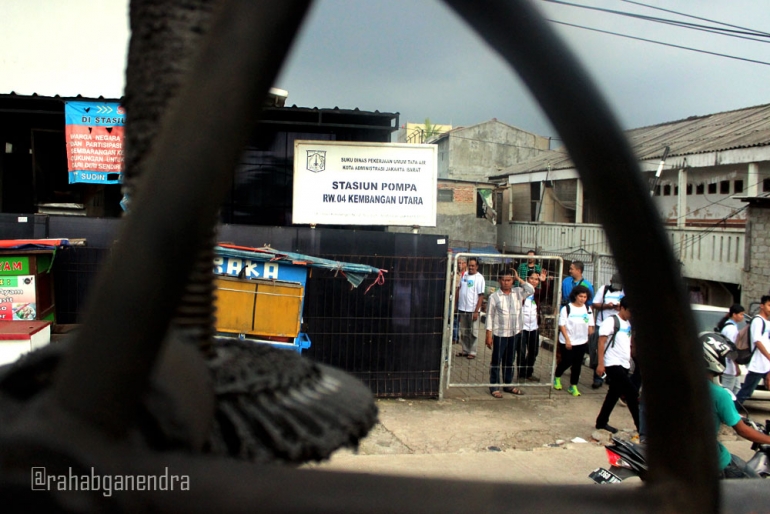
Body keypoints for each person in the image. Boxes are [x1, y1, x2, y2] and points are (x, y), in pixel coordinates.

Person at [702, 332, 770, 478]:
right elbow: (742, 430)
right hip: (715, 462)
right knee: (756, 486)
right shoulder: (718, 394)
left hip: (680, 460)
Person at [485, 269, 534, 397]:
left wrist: (519, 279)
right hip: (500, 334)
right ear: (499, 280)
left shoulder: (518, 292)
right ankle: (494, 386)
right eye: (503, 280)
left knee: (509, 360)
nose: (506, 283)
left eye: (509, 280)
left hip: (515, 332)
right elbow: (489, 316)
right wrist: (488, 334)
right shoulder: (494, 297)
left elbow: (531, 289)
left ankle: (508, 384)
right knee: (496, 360)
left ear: (512, 281)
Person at [594, 296, 638, 434]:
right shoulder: (611, 321)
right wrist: (601, 364)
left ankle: (601, 422)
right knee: (631, 393)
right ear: (623, 308)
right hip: (613, 363)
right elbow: (601, 342)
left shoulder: (628, 324)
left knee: (613, 394)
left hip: (624, 364)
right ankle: (641, 426)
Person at [553, 285, 595, 396]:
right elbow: (562, 325)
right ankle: (557, 377)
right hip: (568, 341)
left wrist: (590, 332)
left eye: (585, 297)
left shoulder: (587, 308)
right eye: (580, 296)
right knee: (566, 361)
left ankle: (573, 385)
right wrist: (567, 339)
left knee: (577, 365)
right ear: (575, 296)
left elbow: (590, 323)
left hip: (581, 341)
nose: (583, 299)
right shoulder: (567, 308)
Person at [591, 273, 625, 389]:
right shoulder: (604, 289)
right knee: (599, 351)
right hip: (602, 323)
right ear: (610, 281)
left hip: (617, 326)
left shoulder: (623, 291)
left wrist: (619, 307)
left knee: (612, 351)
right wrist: (607, 306)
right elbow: (595, 304)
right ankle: (597, 377)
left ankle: (610, 376)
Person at [735, 295, 770, 406]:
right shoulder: (758, 321)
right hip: (758, 364)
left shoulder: (767, 322)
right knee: (746, 392)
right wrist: (769, 356)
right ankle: (729, 413)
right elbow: (757, 341)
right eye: (769, 305)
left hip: (766, 365)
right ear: (762, 306)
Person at [516, 269, 546, 381]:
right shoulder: (520, 292)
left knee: (534, 351)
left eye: (536, 279)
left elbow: (546, 291)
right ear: (527, 279)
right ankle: (521, 374)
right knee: (521, 351)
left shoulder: (537, 294)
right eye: (532, 278)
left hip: (534, 327)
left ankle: (529, 372)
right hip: (521, 328)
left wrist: (544, 281)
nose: (534, 281)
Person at [456, 257, 485, 360]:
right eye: (470, 265)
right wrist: (456, 305)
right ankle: (465, 350)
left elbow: (481, 295)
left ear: (477, 266)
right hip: (462, 308)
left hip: (472, 310)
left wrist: (476, 311)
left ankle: (472, 351)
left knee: (473, 332)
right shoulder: (464, 275)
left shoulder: (480, 278)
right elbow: (458, 289)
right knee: (464, 331)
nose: (471, 267)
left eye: (473, 265)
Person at [716, 304, 745, 395]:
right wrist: (736, 366)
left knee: (736, 388)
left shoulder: (730, 327)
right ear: (734, 314)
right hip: (729, 365)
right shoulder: (730, 329)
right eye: (741, 314)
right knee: (728, 391)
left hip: (730, 365)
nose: (742, 317)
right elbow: (730, 349)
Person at [452, 256, 468, 344]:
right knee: (455, 318)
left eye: (462, 263)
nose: (460, 265)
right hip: (455, 298)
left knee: (464, 321)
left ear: (465, 264)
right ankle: (455, 337)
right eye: (458, 263)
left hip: (465, 300)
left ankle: (465, 340)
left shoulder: (468, 274)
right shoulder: (455, 273)